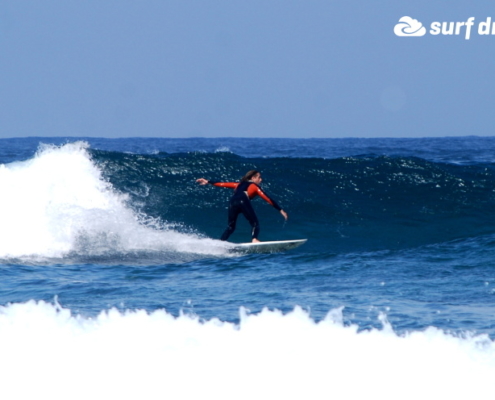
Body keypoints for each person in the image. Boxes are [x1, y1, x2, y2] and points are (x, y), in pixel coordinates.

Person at [196, 170, 288, 242]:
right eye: (259, 177)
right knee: (255, 224)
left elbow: (222, 183)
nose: (261, 179)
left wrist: (208, 181)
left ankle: (221, 242)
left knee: (230, 227)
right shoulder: (254, 186)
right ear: (253, 178)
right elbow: (267, 198)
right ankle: (254, 239)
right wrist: (280, 210)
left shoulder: (238, 185)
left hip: (232, 202)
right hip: (243, 200)